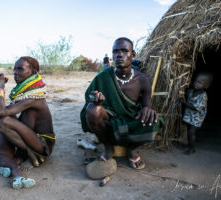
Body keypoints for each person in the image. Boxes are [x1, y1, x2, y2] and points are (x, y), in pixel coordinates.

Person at [80, 37, 163, 169]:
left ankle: (132, 149)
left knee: (154, 120)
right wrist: (95, 100)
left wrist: (147, 109)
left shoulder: (143, 79)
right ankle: (108, 147)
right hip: (109, 120)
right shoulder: (103, 76)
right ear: (112, 55)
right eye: (115, 51)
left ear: (133, 54)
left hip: (131, 120)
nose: (119, 54)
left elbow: (147, 104)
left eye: (124, 51)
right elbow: (90, 95)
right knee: (92, 110)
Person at [0, 56, 55, 189]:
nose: (15, 72)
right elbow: (3, 111)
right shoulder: (25, 92)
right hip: (28, 134)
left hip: (42, 144)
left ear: (33, 71)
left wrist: (0, 87)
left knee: (3, 122)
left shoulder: (35, 96)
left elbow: (0, 113)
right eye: (14, 69)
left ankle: (30, 154)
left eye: (20, 69)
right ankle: (20, 151)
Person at [180, 71, 213, 155]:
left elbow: (195, 107)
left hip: (197, 118)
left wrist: (184, 102)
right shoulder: (192, 91)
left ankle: (192, 149)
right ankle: (190, 145)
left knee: (191, 132)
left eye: (199, 83)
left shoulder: (203, 96)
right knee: (189, 131)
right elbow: (187, 93)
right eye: (195, 81)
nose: (196, 84)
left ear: (206, 86)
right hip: (190, 116)